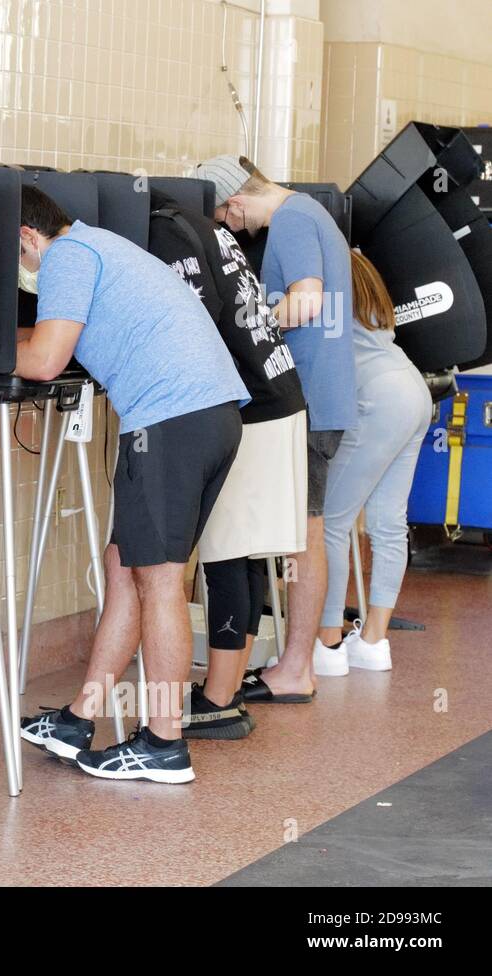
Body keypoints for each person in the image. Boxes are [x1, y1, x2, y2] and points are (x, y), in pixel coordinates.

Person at [14, 186, 248, 784]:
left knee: (161, 580)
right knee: (126, 566)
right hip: (206, 415)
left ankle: (164, 741)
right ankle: (80, 716)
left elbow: (44, 360)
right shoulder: (102, 244)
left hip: (170, 422)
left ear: (26, 237)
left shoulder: (66, 256)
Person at [145, 188, 308, 739]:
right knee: (244, 554)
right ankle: (227, 690)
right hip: (278, 390)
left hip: (253, 403)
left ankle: (218, 699)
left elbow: (200, 313)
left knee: (226, 553)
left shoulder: (164, 229)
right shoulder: (204, 227)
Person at [193, 155, 356, 702]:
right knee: (305, 529)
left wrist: (248, 329)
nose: (227, 229)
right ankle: (295, 664)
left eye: (222, 218)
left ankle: (295, 668)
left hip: (308, 397)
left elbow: (305, 301)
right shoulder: (313, 212)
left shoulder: (289, 220)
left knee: (304, 534)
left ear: (234, 202)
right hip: (323, 394)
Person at [316, 252, 431, 672]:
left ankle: (328, 643)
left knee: (331, 521)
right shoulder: (365, 273)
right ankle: (373, 641)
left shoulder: (322, 281)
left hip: (380, 397)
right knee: (388, 523)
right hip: (412, 387)